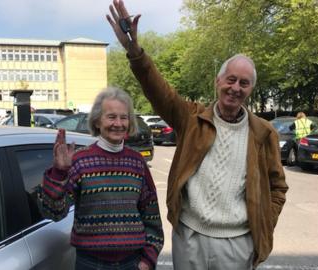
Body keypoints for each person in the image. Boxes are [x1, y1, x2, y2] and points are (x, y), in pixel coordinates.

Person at [106, 1, 288, 269]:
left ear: (250, 89)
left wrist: (262, 227)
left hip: (238, 244)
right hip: (190, 238)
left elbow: (278, 188)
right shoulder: (192, 118)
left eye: (244, 83)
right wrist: (135, 52)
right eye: (231, 79)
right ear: (218, 81)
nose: (235, 88)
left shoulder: (263, 132)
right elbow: (159, 91)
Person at [41, 87, 164, 270]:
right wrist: (59, 173)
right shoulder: (80, 161)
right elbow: (54, 213)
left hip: (132, 263)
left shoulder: (137, 162)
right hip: (90, 264)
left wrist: (147, 261)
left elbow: (152, 218)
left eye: (124, 117)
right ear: (98, 121)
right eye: (111, 117)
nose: (118, 123)